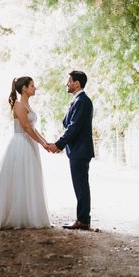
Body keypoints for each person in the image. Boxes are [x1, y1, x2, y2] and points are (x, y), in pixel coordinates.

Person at [0, 76, 52, 231]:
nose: (35, 88)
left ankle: (29, 214)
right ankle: (17, 216)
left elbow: (33, 128)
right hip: (20, 144)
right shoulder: (18, 105)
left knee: (30, 177)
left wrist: (45, 143)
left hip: (30, 143)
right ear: (24, 88)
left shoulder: (28, 106)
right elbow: (26, 128)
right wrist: (41, 143)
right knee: (20, 178)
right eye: (32, 86)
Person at [45, 70, 94, 230]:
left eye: (69, 81)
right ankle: (83, 219)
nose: (67, 84)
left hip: (80, 150)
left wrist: (58, 144)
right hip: (78, 150)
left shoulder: (82, 101)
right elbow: (66, 122)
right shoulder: (77, 101)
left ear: (77, 83)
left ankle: (83, 220)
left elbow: (73, 128)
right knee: (80, 185)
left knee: (81, 185)